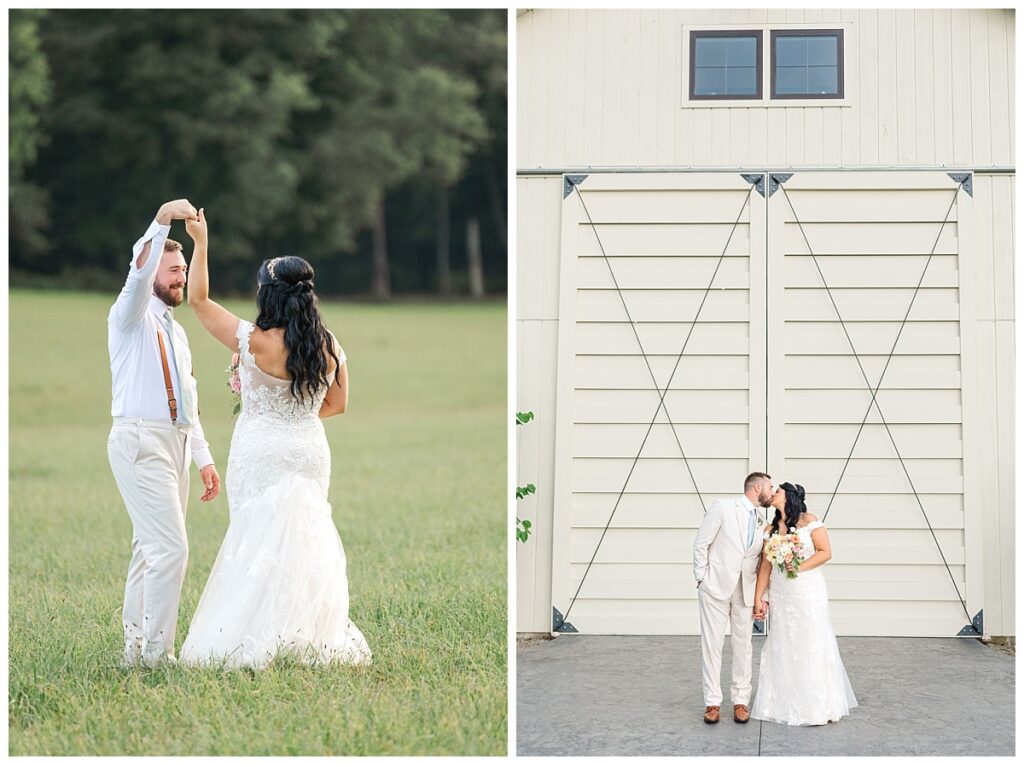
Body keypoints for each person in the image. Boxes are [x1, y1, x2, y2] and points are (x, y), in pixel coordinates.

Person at [178, 208, 371, 668]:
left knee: (255, 538)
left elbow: (199, 300)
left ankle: (252, 635)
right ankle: (308, 636)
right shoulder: (329, 345)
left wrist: (200, 243)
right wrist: (298, 415)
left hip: (259, 448)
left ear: (268, 295)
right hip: (307, 449)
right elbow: (338, 404)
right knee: (306, 539)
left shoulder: (251, 339)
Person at [107, 199, 222, 668]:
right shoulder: (130, 317)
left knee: (148, 550)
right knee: (171, 549)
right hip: (139, 440)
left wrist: (204, 458)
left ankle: (134, 652)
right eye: (172, 270)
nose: (178, 278)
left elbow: (187, 405)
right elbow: (138, 276)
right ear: (154, 269)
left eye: (182, 270)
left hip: (174, 442)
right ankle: (158, 656)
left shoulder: (176, 332)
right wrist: (159, 220)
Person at [750, 482, 858, 725]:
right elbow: (766, 566)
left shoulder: (809, 521)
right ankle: (781, 703)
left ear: (789, 496)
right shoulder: (772, 528)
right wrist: (759, 598)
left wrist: (797, 567)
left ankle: (816, 705)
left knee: (810, 640)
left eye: (778, 490)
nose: (774, 492)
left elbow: (825, 552)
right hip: (781, 593)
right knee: (783, 641)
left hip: (807, 591)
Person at [692, 472, 774, 724]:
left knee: (744, 646)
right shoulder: (723, 507)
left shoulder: (761, 520)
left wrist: (763, 596)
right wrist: (701, 579)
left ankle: (741, 701)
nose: (772, 492)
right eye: (770, 487)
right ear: (757, 487)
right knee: (712, 646)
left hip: (746, 591)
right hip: (715, 587)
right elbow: (700, 543)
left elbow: (761, 562)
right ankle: (712, 703)